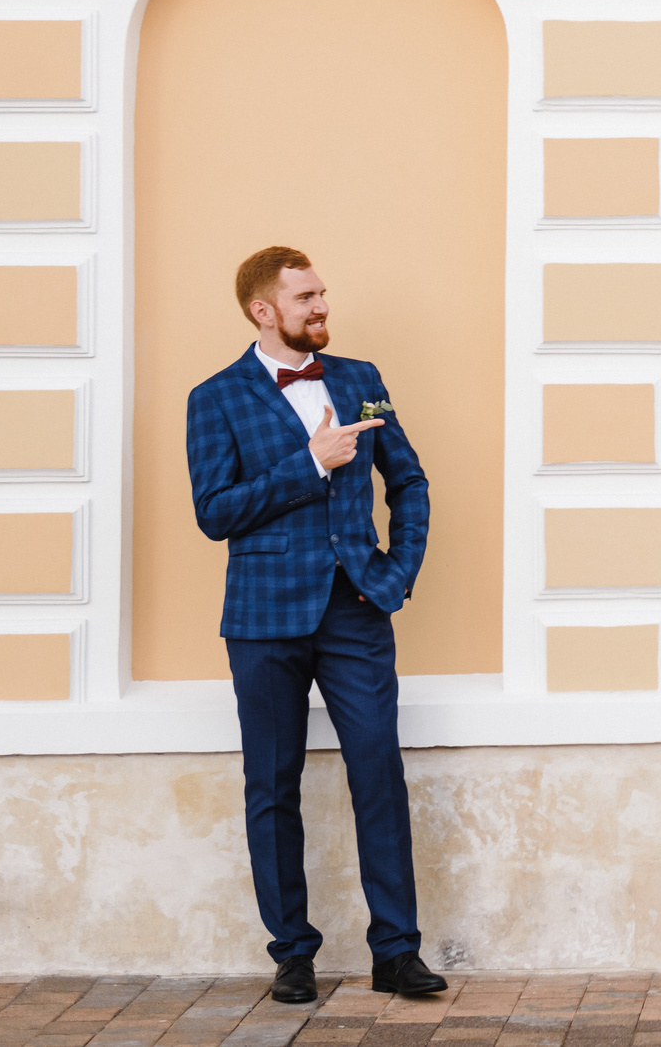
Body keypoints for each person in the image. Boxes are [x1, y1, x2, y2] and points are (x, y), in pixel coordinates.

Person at [187, 246, 448, 1004]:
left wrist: (395, 575)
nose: (321, 307)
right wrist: (309, 462)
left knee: (379, 775)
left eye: (322, 293)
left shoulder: (361, 381)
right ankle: (292, 953)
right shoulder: (216, 398)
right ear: (263, 311)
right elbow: (214, 513)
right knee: (272, 786)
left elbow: (408, 480)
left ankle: (396, 952)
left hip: (354, 609)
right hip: (264, 619)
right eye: (305, 297)